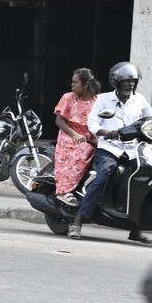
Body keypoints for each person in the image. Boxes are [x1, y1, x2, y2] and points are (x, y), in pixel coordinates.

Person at [68, 61, 152, 243]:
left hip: (133, 149)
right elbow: (92, 122)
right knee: (103, 175)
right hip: (110, 147)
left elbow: (151, 118)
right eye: (126, 81)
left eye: (133, 81)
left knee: (145, 179)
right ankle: (78, 220)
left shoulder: (139, 99)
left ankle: (135, 229)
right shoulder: (103, 99)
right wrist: (105, 132)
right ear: (116, 82)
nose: (130, 84)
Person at [51, 68, 100, 206]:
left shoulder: (97, 100)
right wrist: (75, 135)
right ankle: (64, 191)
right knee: (84, 150)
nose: (72, 85)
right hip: (70, 135)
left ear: (85, 84)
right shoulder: (68, 97)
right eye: (72, 82)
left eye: (75, 82)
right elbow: (59, 121)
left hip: (91, 135)